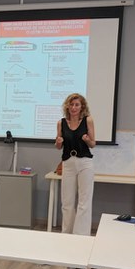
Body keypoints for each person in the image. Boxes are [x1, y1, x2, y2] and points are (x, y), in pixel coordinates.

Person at [55, 93, 96, 236]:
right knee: (67, 201)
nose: (73, 107)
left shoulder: (88, 120)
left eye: (77, 105)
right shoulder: (61, 123)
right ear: (67, 106)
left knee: (84, 201)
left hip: (85, 162)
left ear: (82, 107)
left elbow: (93, 144)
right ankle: (66, 233)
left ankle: (81, 235)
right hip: (68, 163)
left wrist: (87, 139)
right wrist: (58, 142)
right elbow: (58, 146)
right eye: (71, 104)